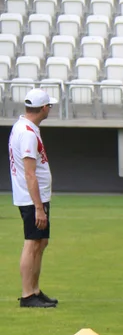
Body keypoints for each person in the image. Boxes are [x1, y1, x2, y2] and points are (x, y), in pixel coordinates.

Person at [9, 88, 59, 308]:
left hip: (34, 197)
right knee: (32, 242)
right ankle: (28, 294)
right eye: (50, 106)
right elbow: (30, 172)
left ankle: (35, 290)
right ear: (44, 108)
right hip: (31, 199)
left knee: (41, 241)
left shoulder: (24, 127)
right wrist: (38, 207)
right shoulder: (28, 133)